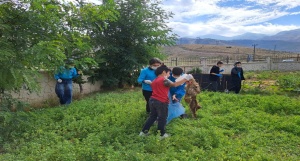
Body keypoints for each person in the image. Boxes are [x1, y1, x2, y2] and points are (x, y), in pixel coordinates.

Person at [139, 65, 193, 139]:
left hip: (152, 100)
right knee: (162, 118)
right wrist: (185, 79)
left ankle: (143, 132)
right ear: (164, 72)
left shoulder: (155, 80)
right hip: (161, 102)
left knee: (152, 116)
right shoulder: (163, 80)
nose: (169, 75)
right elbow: (174, 84)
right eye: (168, 73)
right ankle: (161, 134)